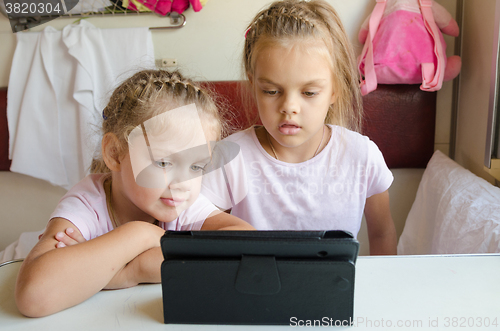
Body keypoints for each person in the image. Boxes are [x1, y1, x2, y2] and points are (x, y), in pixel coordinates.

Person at [15, 69, 255, 317]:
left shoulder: (178, 202)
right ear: (115, 153)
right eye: (163, 163)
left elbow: (248, 244)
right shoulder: (87, 203)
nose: (184, 182)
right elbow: (34, 297)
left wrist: (131, 271)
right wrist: (140, 235)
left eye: (196, 166)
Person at [201, 0, 397, 255]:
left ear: (335, 89)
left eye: (309, 92)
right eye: (271, 91)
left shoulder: (362, 156)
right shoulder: (229, 157)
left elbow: (382, 233)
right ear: (253, 84)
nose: (289, 107)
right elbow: (198, 235)